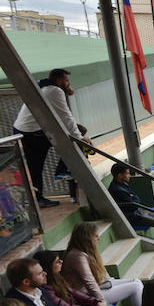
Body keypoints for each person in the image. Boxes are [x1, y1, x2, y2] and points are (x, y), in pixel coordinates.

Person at [12, 68, 91, 207]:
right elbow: (66, 116)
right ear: (59, 81)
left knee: (34, 166)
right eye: (67, 81)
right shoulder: (55, 91)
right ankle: (62, 171)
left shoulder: (44, 86)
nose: (68, 83)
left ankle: (35, 197)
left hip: (23, 129)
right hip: (32, 132)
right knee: (73, 139)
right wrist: (79, 137)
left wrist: (68, 89)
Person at [35, 249, 121, 306]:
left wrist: (96, 302)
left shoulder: (57, 278)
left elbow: (74, 293)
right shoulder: (46, 289)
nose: (61, 262)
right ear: (48, 267)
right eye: (57, 262)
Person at [62, 221, 144, 306]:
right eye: (96, 236)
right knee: (135, 287)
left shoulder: (86, 251)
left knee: (136, 281)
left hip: (99, 286)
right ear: (87, 238)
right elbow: (89, 282)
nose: (99, 238)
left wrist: (111, 281)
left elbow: (102, 276)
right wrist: (101, 301)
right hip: (87, 295)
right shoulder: (77, 256)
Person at [108, 162, 154, 243]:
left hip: (139, 211)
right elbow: (135, 204)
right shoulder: (117, 190)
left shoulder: (122, 183)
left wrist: (133, 197)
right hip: (134, 217)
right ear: (120, 175)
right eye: (127, 173)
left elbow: (135, 197)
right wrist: (134, 198)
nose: (129, 176)